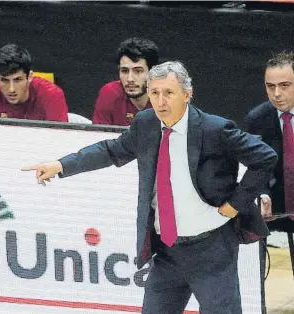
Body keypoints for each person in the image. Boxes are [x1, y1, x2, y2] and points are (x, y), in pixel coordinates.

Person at [22, 61, 277, 313]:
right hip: (167, 252)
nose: (160, 101)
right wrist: (61, 165)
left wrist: (233, 206)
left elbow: (265, 158)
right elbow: (111, 151)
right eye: (154, 93)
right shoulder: (146, 124)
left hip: (211, 250)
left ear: (187, 94)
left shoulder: (215, 129)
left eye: (168, 93)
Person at [244, 51, 294, 233]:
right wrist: (262, 194)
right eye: (270, 86)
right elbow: (254, 166)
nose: (277, 94)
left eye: (285, 85)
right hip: (276, 214)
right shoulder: (257, 119)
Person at [0, 44, 69, 122]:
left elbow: (59, 142)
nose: (11, 89)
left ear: (29, 77)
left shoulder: (52, 95)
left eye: (18, 80)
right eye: (5, 80)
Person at [92, 37, 159, 126]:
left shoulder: (166, 98)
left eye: (138, 71)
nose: (130, 79)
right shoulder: (110, 93)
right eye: (124, 71)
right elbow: (98, 137)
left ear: (153, 72)